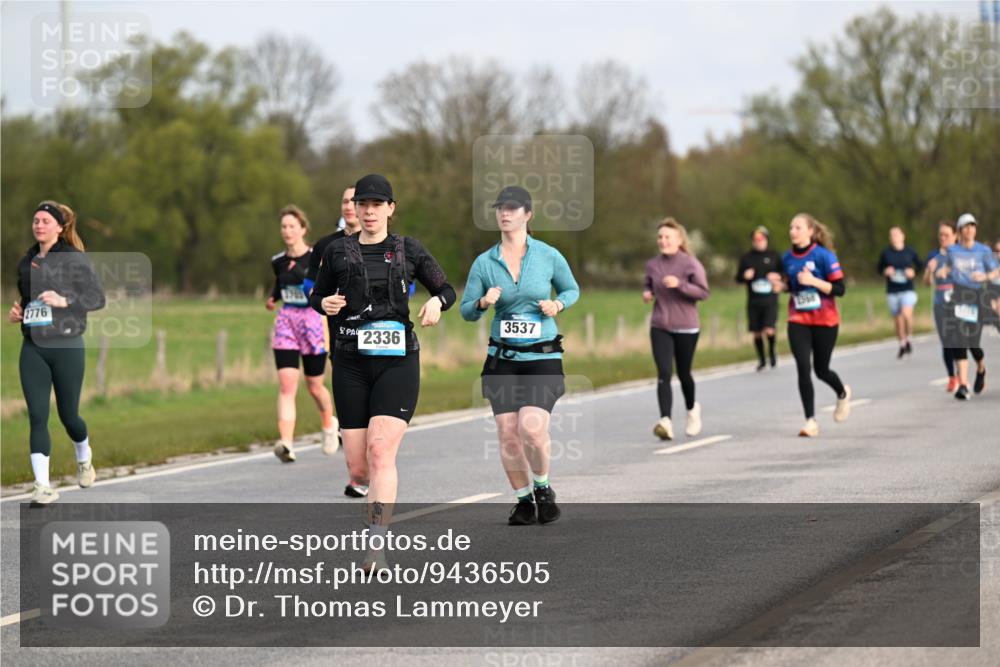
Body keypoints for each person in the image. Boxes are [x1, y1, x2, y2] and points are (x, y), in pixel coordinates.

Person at [310, 173, 455, 568]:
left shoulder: (408, 249)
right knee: (358, 468)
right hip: (350, 363)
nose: (369, 211)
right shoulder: (338, 252)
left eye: (377, 204)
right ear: (355, 209)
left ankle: (375, 542)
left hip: (397, 360)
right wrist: (325, 305)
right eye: (363, 204)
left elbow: (446, 289)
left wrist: (437, 304)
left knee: (380, 452)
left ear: (391, 208)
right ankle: (367, 492)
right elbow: (316, 295)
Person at [460, 186, 580, 526]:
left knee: (531, 426)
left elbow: (572, 288)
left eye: (512, 208)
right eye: (500, 208)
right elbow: (467, 311)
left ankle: (543, 487)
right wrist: (483, 302)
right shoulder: (485, 262)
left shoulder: (548, 255)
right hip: (502, 359)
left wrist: (557, 304)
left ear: (528, 214)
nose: (505, 213)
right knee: (507, 432)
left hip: (542, 357)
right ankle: (524, 501)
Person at [9, 201, 105, 505]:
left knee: (69, 416)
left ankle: (84, 456)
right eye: (35, 220)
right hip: (34, 346)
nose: (38, 225)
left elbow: (97, 297)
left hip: (66, 345)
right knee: (37, 417)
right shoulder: (27, 261)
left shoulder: (74, 259)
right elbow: (28, 300)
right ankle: (42, 486)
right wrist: (19, 310)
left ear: (60, 227)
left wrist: (65, 301)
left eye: (45, 221)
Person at [306, 186, 367, 496]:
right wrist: (322, 301)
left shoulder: (384, 244)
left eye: (353, 202)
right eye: (344, 201)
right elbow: (309, 286)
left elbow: (406, 282)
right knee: (351, 404)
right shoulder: (327, 246)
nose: (348, 207)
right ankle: (357, 475)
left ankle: (369, 466)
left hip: (380, 337)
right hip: (340, 336)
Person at [267, 205, 338, 463]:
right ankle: (286, 443)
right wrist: (273, 297)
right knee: (287, 385)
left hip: (313, 321)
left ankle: (329, 424)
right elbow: (280, 281)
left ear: (303, 229)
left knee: (314, 386)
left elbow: (322, 286)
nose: (287, 232)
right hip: (287, 321)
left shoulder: (315, 258)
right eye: (283, 227)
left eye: (292, 227)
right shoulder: (277, 261)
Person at [776, 213, 852, 438]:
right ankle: (810, 420)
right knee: (802, 366)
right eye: (791, 227)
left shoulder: (824, 256)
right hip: (798, 319)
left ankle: (842, 392)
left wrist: (814, 282)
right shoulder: (787, 258)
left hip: (825, 320)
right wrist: (779, 286)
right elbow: (791, 285)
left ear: (810, 231)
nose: (792, 232)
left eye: (798, 227)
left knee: (821, 370)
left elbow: (840, 289)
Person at [643, 218, 710, 441]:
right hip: (660, 324)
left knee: (684, 373)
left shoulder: (690, 263)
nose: (663, 241)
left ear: (679, 240)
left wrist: (680, 285)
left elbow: (703, 292)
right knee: (663, 373)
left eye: (667, 237)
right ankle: (666, 421)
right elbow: (649, 284)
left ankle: (692, 410)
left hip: (687, 326)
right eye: (660, 237)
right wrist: (648, 293)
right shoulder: (653, 264)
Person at [936, 213, 999, 399]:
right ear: (960, 231)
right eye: (965, 227)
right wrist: (942, 271)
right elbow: (947, 267)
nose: (969, 230)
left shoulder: (984, 250)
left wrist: (985, 277)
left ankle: (981, 367)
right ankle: (963, 385)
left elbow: (997, 270)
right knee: (960, 339)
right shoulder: (953, 251)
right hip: (959, 296)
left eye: (972, 226)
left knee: (973, 343)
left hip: (977, 296)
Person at [735, 225, 783, 371]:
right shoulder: (747, 258)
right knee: (756, 332)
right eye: (756, 240)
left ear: (766, 240)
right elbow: (738, 278)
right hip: (753, 300)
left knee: (769, 329)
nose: (759, 242)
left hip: (770, 300)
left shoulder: (774, 256)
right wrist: (745, 276)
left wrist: (778, 277)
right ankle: (762, 360)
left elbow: (784, 274)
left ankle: (772, 354)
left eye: (761, 239)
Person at [877, 226, 923, 358]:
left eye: (896, 234)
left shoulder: (910, 251)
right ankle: (902, 344)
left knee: (906, 314)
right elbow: (879, 269)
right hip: (892, 291)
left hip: (908, 289)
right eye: (891, 235)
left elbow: (920, 265)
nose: (894, 237)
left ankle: (909, 337)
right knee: (898, 320)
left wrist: (913, 272)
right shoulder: (886, 253)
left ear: (903, 236)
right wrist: (885, 271)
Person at [923, 221, 958, 392]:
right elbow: (926, 282)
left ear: (955, 236)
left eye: (946, 235)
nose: (943, 238)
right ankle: (952, 377)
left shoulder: (960, 254)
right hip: (940, 302)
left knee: (959, 338)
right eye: (940, 235)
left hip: (958, 299)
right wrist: (929, 271)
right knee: (946, 341)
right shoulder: (933, 256)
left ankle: (963, 373)